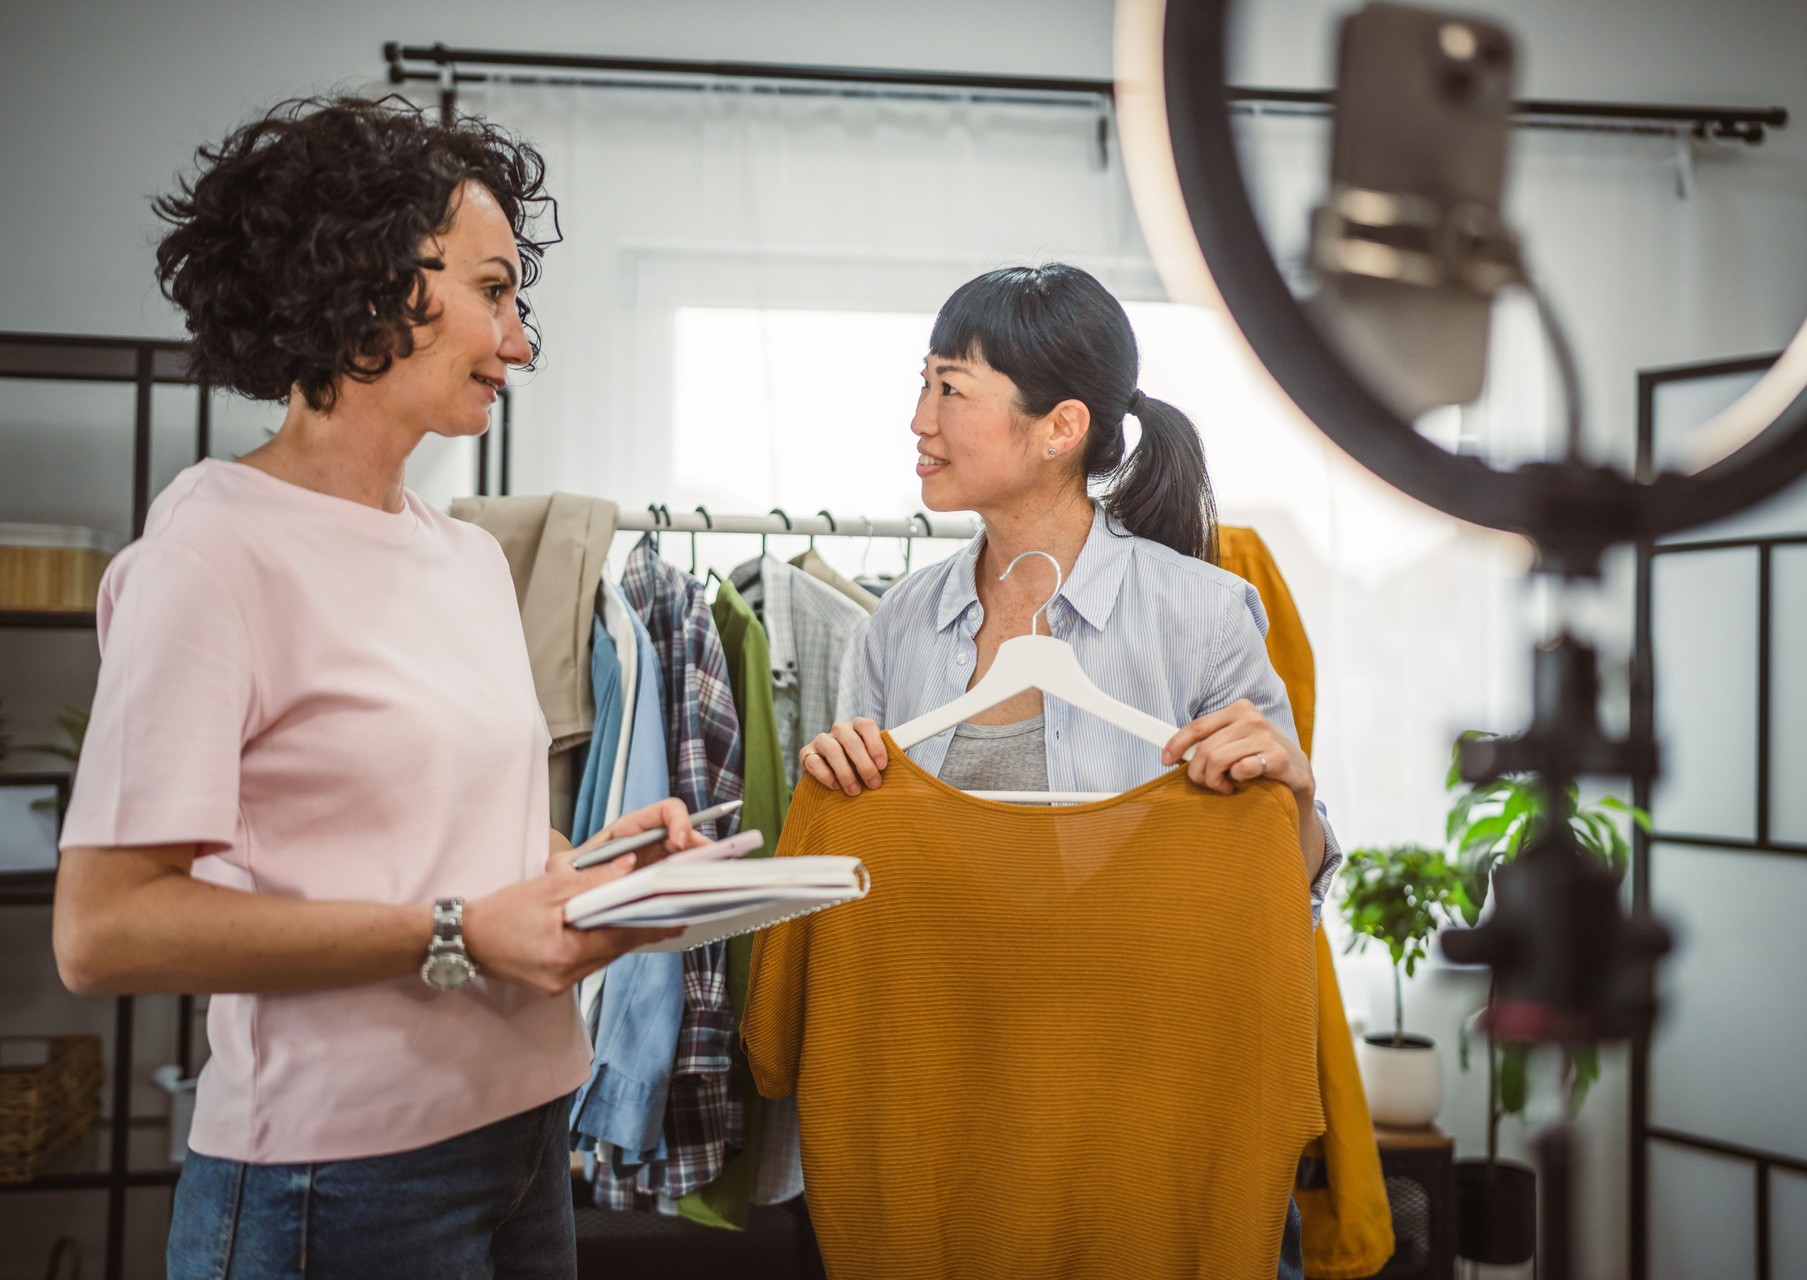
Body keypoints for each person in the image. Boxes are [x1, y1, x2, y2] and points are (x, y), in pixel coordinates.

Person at [51, 96, 698, 1279]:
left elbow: (413, 831)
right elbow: (103, 929)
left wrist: (579, 875)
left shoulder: (458, 554)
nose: (522, 340)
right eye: (494, 291)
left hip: (521, 1140)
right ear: (364, 278)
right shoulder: (212, 551)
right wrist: (454, 931)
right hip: (334, 1183)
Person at [797, 262, 1342, 1278]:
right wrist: (838, 787)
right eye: (924, 382)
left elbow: (1284, 900)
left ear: (1061, 427)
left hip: (1154, 1128)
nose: (920, 417)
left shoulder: (1204, 613)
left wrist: (1294, 794)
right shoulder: (898, 627)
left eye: (951, 388)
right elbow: (872, 899)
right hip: (963, 1119)